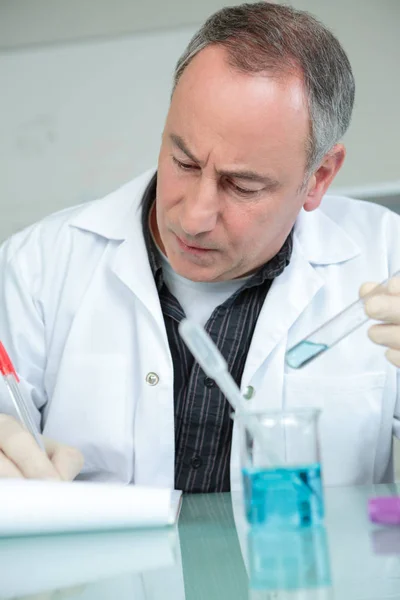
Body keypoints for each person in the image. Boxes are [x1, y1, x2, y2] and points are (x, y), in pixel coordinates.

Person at [0, 2, 400, 490]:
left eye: (242, 185)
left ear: (318, 177)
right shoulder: (37, 267)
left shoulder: (388, 259)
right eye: (184, 162)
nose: (193, 217)